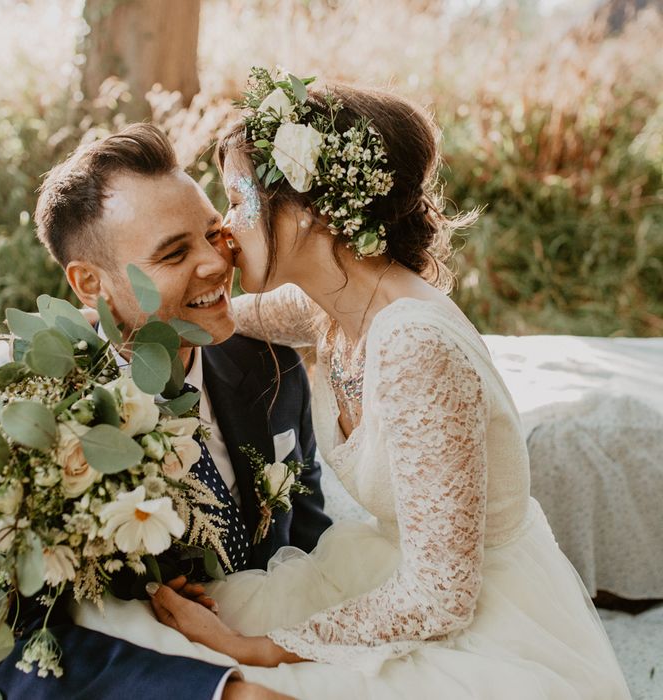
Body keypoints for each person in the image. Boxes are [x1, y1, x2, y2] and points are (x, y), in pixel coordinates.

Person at [101, 74, 632, 698]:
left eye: (239, 203)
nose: (223, 233)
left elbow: (440, 598)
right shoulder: (327, 309)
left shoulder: (413, 344)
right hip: (391, 574)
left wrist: (259, 651)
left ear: (308, 212)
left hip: (472, 619)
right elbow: (198, 315)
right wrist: (101, 316)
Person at [0, 122, 332, 700]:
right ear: (90, 284)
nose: (214, 263)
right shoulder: (21, 420)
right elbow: (2, 650)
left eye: (213, 232)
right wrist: (225, 693)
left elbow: (311, 550)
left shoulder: (270, 369)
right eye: (175, 253)